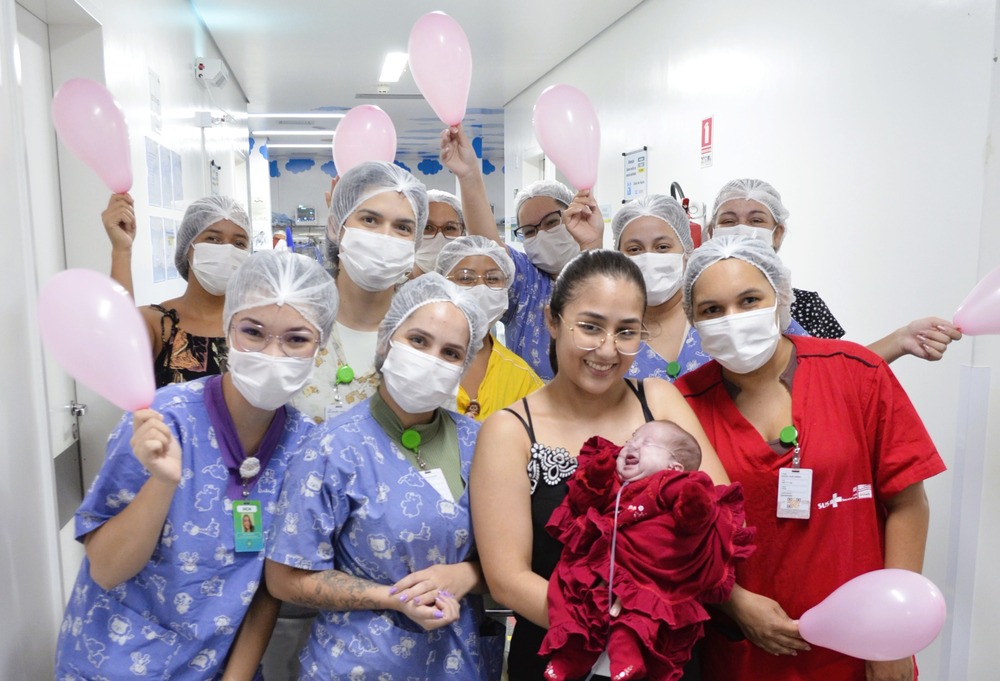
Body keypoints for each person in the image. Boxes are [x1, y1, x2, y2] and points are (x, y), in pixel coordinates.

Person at [54, 250, 338, 680]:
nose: (272, 353)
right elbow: (107, 569)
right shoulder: (166, 421)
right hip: (113, 661)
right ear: (227, 328)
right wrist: (164, 483)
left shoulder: (307, 448)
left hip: (219, 664)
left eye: (296, 339)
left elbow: (268, 585)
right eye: (253, 332)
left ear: (321, 345)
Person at [673, 235, 946, 681]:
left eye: (749, 300)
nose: (734, 320)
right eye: (712, 310)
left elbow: (907, 503)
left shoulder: (856, 373)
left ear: (781, 298)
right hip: (745, 647)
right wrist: (736, 603)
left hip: (860, 644)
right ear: (692, 319)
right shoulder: (682, 406)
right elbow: (678, 536)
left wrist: (893, 631)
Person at [470, 249, 730, 681]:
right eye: (590, 327)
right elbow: (508, 578)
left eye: (626, 332)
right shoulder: (510, 430)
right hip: (560, 653)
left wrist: (653, 621)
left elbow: (718, 515)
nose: (607, 350)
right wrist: (606, 630)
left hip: (663, 652)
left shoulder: (658, 400)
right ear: (552, 321)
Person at [266, 273, 505, 680]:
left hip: (456, 661)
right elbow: (286, 578)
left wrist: (467, 574)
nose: (431, 359)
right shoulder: (331, 448)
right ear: (387, 340)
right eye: (418, 341)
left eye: (450, 353)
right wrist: (391, 598)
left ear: (464, 365)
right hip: (357, 664)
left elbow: (513, 555)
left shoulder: (483, 443)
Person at [540, 421, 754, 681]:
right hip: (602, 563)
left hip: (647, 569)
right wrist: (595, 478)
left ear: (674, 467)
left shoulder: (671, 482)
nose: (633, 446)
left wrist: (694, 505)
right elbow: (582, 501)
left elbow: (695, 519)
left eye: (647, 443)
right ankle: (569, 657)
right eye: (632, 440)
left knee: (640, 613)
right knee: (566, 592)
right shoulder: (616, 483)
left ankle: (627, 656)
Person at [706, 178, 962, 362]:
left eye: (756, 220)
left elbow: (838, 369)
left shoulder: (805, 305)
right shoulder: (695, 305)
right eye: (728, 220)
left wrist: (901, 339)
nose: (741, 229)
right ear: (711, 232)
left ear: (778, 232)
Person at [440, 124, 604, 380]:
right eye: (529, 231)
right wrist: (469, 175)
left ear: (575, 215)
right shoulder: (527, 282)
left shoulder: (611, 273)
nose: (542, 235)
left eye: (551, 222)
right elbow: (489, 247)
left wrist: (591, 244)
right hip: (529, 406)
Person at [613, 194, 808, 383]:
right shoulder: (612, 329)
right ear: (617, 257)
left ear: (687, 251)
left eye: (663, 247)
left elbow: (808, 360)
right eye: (634, 250)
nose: (649, 258)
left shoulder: (720, 307)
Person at [292, 160, 427, 422]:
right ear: (336, 227)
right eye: (369, 220)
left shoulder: (424, 336)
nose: (384, 237)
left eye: (402, 227)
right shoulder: (294, 325)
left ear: (416, 241)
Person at [103, 192, 252, 387]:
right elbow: (118, 350)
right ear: (187, 247)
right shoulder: (160, 324)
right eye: (213, 239)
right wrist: (122, 250)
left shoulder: (257, 327)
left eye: (239, 243)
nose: (227, 250)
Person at [435, 235, 544, 419]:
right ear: (442, 285)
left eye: (493, 279)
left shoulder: (521, 378)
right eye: (465, 278)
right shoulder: (417, 359)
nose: (480, 287)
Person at [413, 189, 466, 275]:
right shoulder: (392, 287)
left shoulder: (473, 287)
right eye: (428, 227)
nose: (439, 237)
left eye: (449, 228)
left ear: (463, 232)